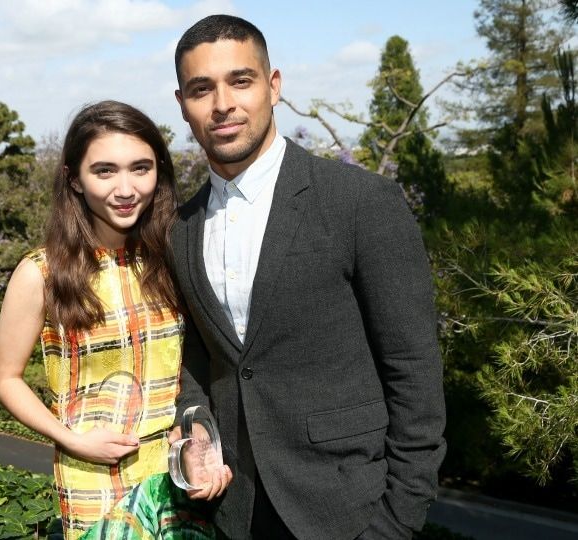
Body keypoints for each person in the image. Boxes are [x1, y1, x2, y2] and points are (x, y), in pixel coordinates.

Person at [168, 14, 447, 540]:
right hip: (233, 511)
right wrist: (197, 430)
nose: (222, 102)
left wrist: (397, 521)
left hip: (350, 509)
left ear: (273, 86)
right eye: (202, 88)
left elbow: (414, 371)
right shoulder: (181, 228)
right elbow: (199, 360)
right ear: (183, 103)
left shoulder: (361, 202)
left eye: (240, 80)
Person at [0, 100, 224, 540]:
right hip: (93, 476)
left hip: (178, 471)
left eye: (140, 168)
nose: (126, 188)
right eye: (104, 171)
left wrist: (198, 436)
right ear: (74, 180)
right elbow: (4, 379)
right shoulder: (41, 274)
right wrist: (72, 439)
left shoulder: (174, 260)